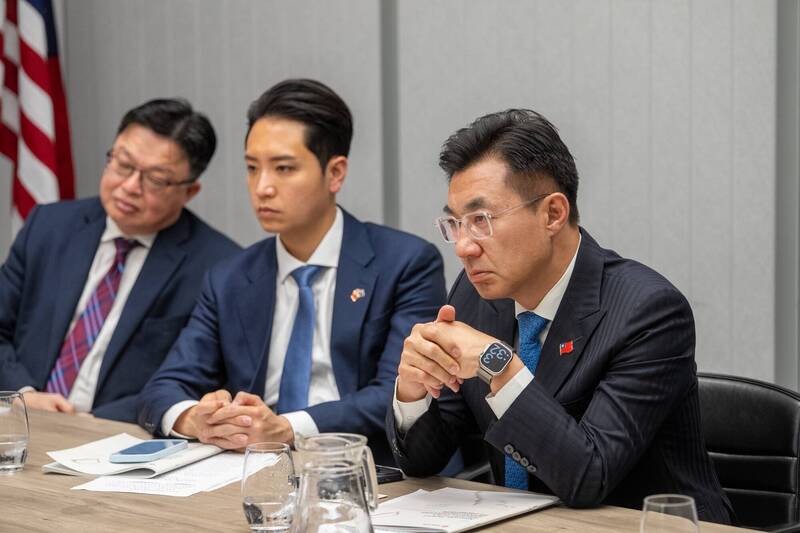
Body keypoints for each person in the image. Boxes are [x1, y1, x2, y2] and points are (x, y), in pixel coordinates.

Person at [386, 109, 734, 523]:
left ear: (553, 213)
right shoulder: (475, 295)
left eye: (481, 220)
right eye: (455, 223)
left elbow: (589, 475)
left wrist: (499, 365)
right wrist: (413, 391)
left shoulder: (648, 311)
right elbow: (425, 461)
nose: (463, 247)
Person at [137, 79, 446, 465]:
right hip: (252, 467)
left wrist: (287, 427)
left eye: (283, 168)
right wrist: (195, 418)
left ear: (335, 173)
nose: (262, 187)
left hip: (364, 467)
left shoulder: (404, 263)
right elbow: (162, 388)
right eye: (252, 168)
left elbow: (398, 391)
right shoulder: (230, 278)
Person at [0, 98, 241, 422]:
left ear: (189, 192)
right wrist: (24, 394)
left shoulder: (219, 267)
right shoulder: (48, 227)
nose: (129, 187)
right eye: (123, 164)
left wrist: (92, 424)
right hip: (22, 419)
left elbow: (200, 379)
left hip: (120, 435)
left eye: (155, 179)